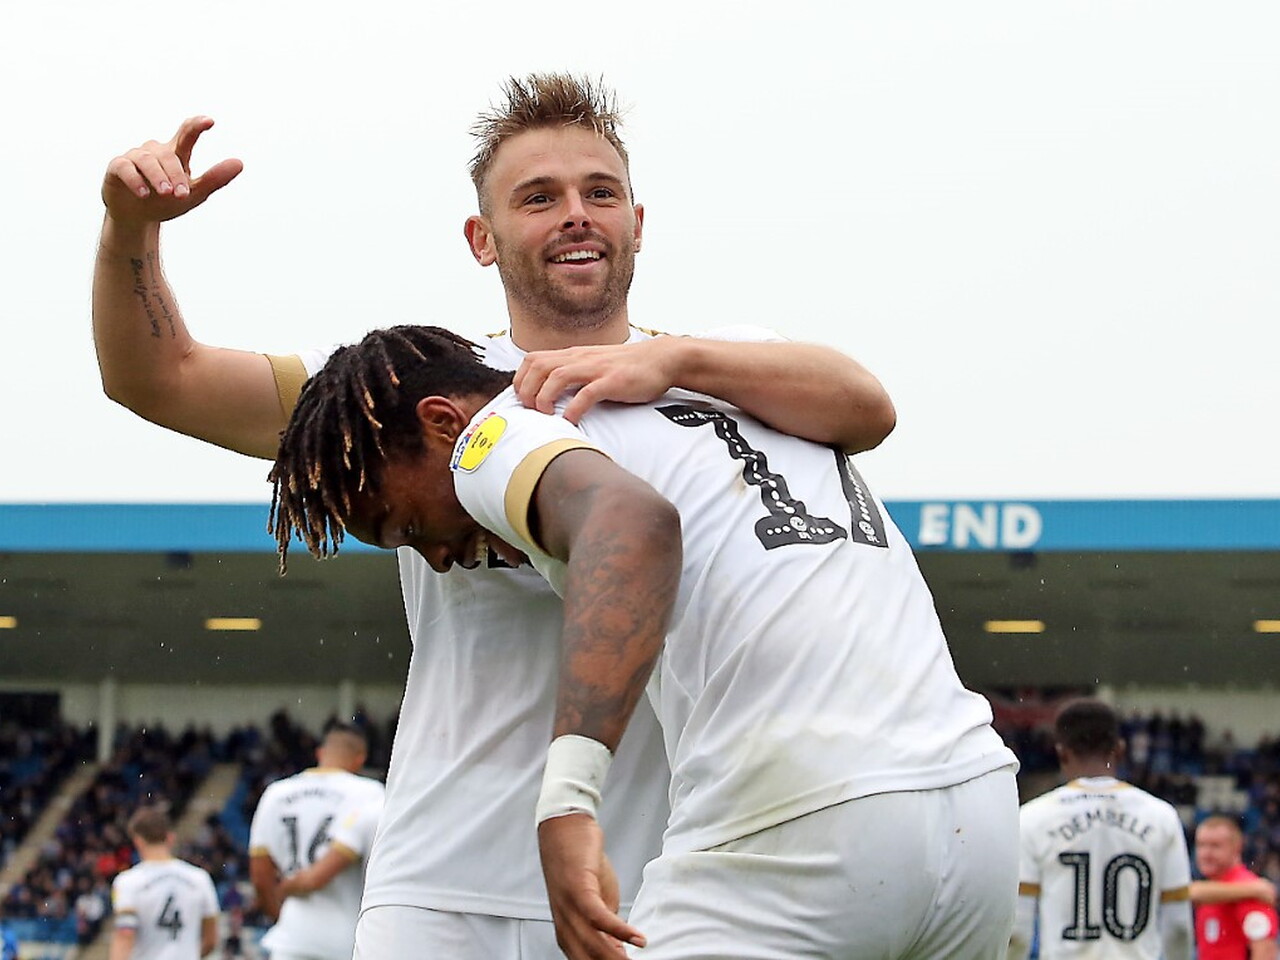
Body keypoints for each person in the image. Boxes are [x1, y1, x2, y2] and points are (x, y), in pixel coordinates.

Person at [93, 73, 898, 959]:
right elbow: (158, 379)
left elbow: (866, 407)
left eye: (600, 193)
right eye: (539, 198)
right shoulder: (404, 391)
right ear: (483, 239)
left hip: (638, 884)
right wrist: (131, 230)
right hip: (437, 889)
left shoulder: (709, 375)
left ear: (638, 223)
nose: (576, 216)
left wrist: (677, 361)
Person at [268, 323, 1020, 960]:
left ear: (440, 422)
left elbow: (632, 525)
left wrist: (567, 800)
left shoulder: (500, 430)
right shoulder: (731, 392)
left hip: (800, 828)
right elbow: (873, 410)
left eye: (404, 526)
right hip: (976, 811)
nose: (433, 557)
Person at [1008, 698, 1194, 960]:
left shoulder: (1033, 817)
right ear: (1120, 750)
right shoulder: (1161, 816)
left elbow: (1017, 932)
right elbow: (1179, 928)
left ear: (1061, 752)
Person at [247, 724, 383, 960]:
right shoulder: (371, 794)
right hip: (347, 940)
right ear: (360, 759)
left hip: (292, 938)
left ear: (320, 753)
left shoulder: (276, 793)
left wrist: (281, 916)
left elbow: (260, 878)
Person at [108, 806, 219, 960]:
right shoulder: (200, 879)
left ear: (138, 841)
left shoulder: (128, 882)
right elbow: (211, 939)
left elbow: (125, 935)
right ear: (170, 838)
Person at [1192, 815, 1279, 959]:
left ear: (1237, 847)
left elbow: (1265, 951)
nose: (1205, 853)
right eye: (1201, 845)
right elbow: (1189, 892)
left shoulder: (1251, 895)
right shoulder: (1249, 890)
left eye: (1215, 846)